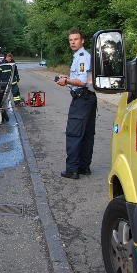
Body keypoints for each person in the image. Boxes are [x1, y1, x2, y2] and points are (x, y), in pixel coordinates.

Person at [56, 30, 97, 179]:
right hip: (89, 98)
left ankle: (72, 169)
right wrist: (66, 78)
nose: (72, 42)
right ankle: (84, 167)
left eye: (76, 39)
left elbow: (81, 81)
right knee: (86, 134)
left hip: (82, 99)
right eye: (70, 40)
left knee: (74, 134)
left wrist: (66, 81)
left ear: (82, 41)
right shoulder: (83, 56)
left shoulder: (81, 57)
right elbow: (81, 79)